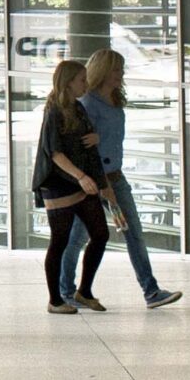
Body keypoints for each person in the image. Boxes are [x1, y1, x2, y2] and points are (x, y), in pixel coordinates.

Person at [55, 49, 184, 310]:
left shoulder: (114, 99)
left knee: (132, 233)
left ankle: (151, 291)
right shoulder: (89, 104)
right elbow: (80, 145)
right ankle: (66, 291)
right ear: (102, 70)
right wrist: (99, 183)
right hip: (96, 183)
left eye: (121, 70)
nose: (120, 75)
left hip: (116, 177)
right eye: (116, 70)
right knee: (78, 238)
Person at [34, 59, 112, 315]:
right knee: (60, 240)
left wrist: (101, 182)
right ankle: (55, 300)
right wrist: (81, 177)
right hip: (59, 183)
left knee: (100, 234)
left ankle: (84, 291)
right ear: (68, 82)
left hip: (82, 180)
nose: (86, 85)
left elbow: (88, 146)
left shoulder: (77, 108)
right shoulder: (54, 109)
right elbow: (54, 153)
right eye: (81, 80)